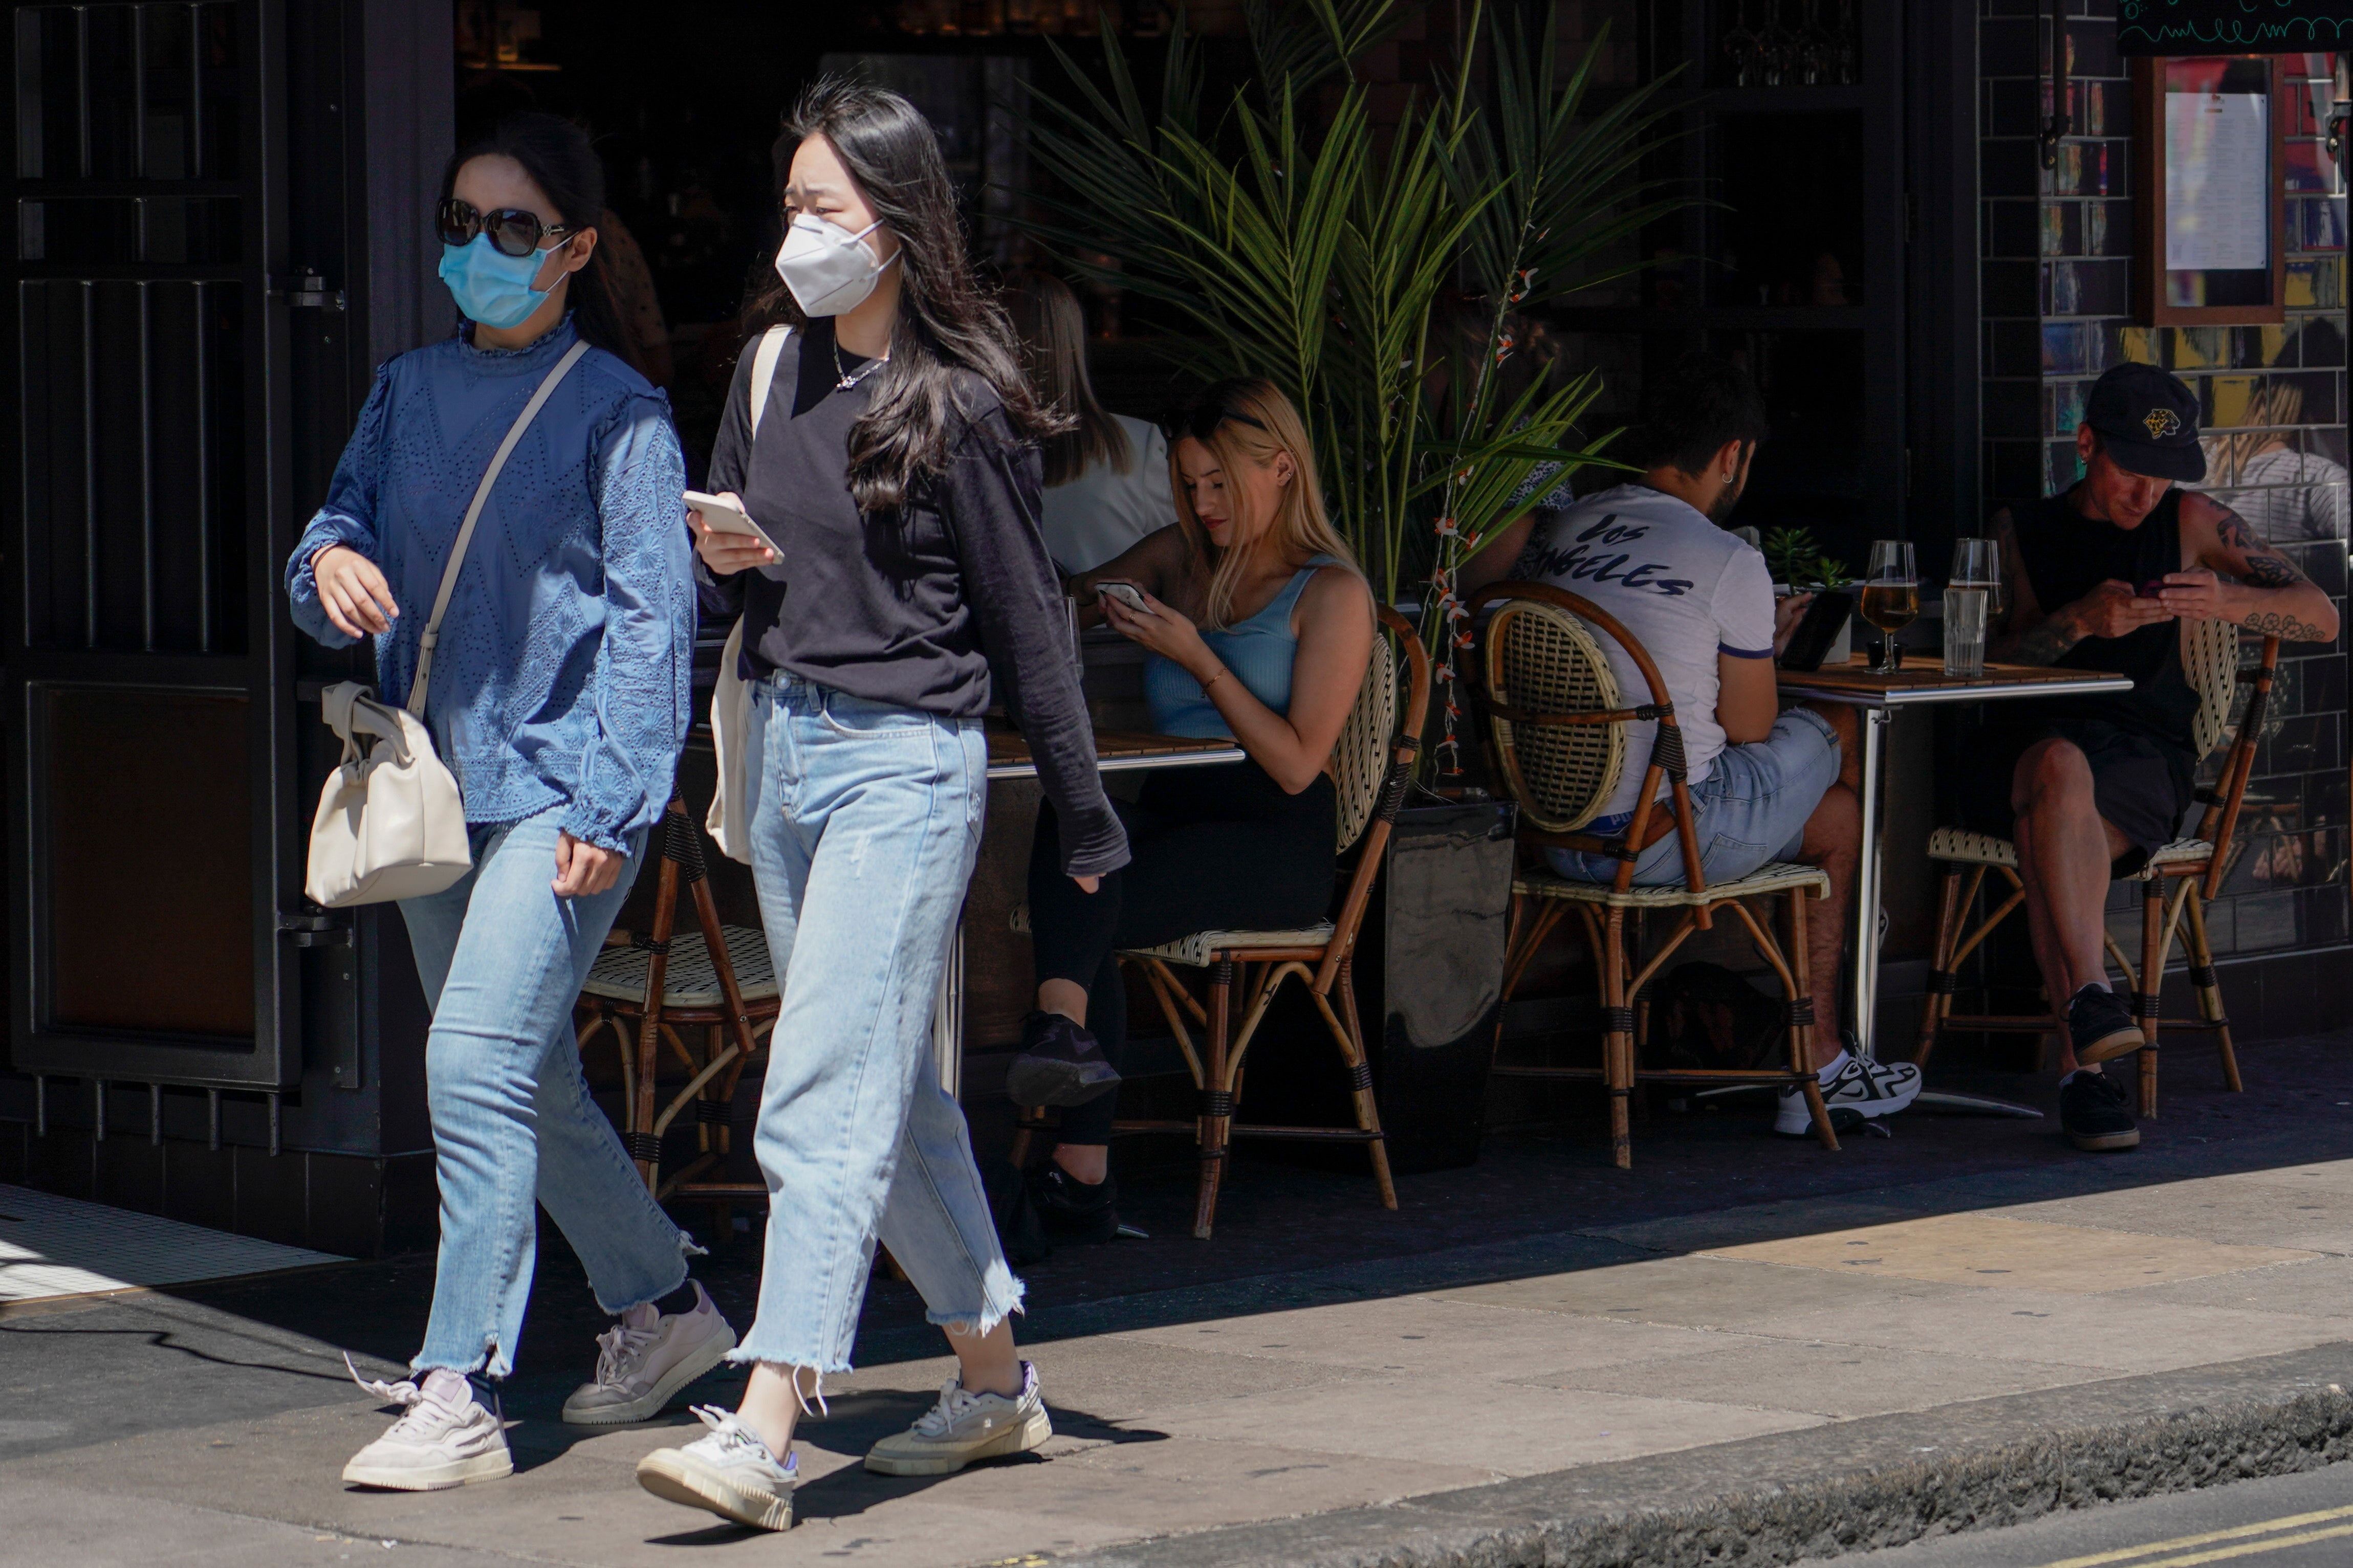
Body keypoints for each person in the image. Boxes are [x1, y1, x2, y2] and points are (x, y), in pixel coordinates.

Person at [631, 81, 1125, 1532]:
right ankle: (991, 1381)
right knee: (889, 1097)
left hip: (906, 768)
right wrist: (731, 552)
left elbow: (1029, 621)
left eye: (828, 211)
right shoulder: (770, 365)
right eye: (790, 206)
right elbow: (735, 531)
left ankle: (771, 1413)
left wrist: (1087, 819)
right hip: (783, 746)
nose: (800, 234)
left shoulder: (960, 402)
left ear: (900, 226)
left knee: (821, 1088)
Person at [288, 114, 727, 1492]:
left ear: (576, 249)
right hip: (436, 789)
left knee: (473, 1065)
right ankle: (661, 1310)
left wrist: (612, 802)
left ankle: (459, 1384)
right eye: (462, 225)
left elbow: (659, 626)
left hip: (559, 797)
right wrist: (332, 570)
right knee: (522, 1072)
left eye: (515, 229)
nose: (480, 250)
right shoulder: (405, 389)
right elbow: (325, 540)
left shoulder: (619, 414)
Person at [1458, 353, 1920, 1136]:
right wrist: (1757, 656)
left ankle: (1823, 1058)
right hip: (1671, 838)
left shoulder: (1561, 529)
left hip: (1553, 837)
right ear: (1735, 454)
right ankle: (1837, 994)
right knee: (1838, 727)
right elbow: (1747, 731)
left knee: (1835, 817)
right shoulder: (1728, 559)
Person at [1009, 377, 1378, 1244]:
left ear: (1281, 468)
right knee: (1073, 822)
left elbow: (1295, 766)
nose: (1203, 504)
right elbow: (1061, 598)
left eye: (1220, 483)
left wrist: (1193, 653)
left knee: (1094, 897)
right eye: (1188, 484)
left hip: (1270, 836)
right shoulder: (1181, 556)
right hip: (1174, 809)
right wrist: (1082, 598)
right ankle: (1062, 1047)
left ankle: (1079, 1158)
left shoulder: (1332, 593)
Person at [1968, 362, 2340, 1153]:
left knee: (2050, 828)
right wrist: (2074, 623)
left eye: (2163, 477)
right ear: (2084, 444)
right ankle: (2094, 1023)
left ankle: (2084, 1055)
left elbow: (2320, 614)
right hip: (2033, 742)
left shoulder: (2193, 520)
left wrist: (2229, 601)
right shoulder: (2022, 530)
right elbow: (1988, 668)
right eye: (2133, 472)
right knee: (2055, 771)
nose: (2146, 496)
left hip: (2141, 756)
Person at [1001, 271, 1179, 572]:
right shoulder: (1141, 443)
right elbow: (1178, 564)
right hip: (1117, 620)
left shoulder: (972, 451)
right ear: (1074, 341)